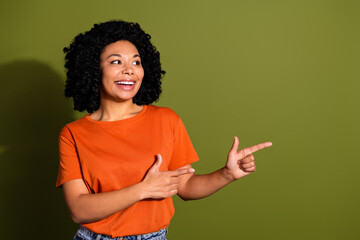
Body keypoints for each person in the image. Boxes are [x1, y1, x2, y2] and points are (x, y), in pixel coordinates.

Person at [56, 20, 272, 240]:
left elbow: (185, 187)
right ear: (94, 68)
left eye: (136, 62)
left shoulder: (166, 120)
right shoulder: (73, 133)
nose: (129, 70)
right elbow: (78, 209)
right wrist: (144, 189)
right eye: (116, 61)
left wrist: (227, 174)